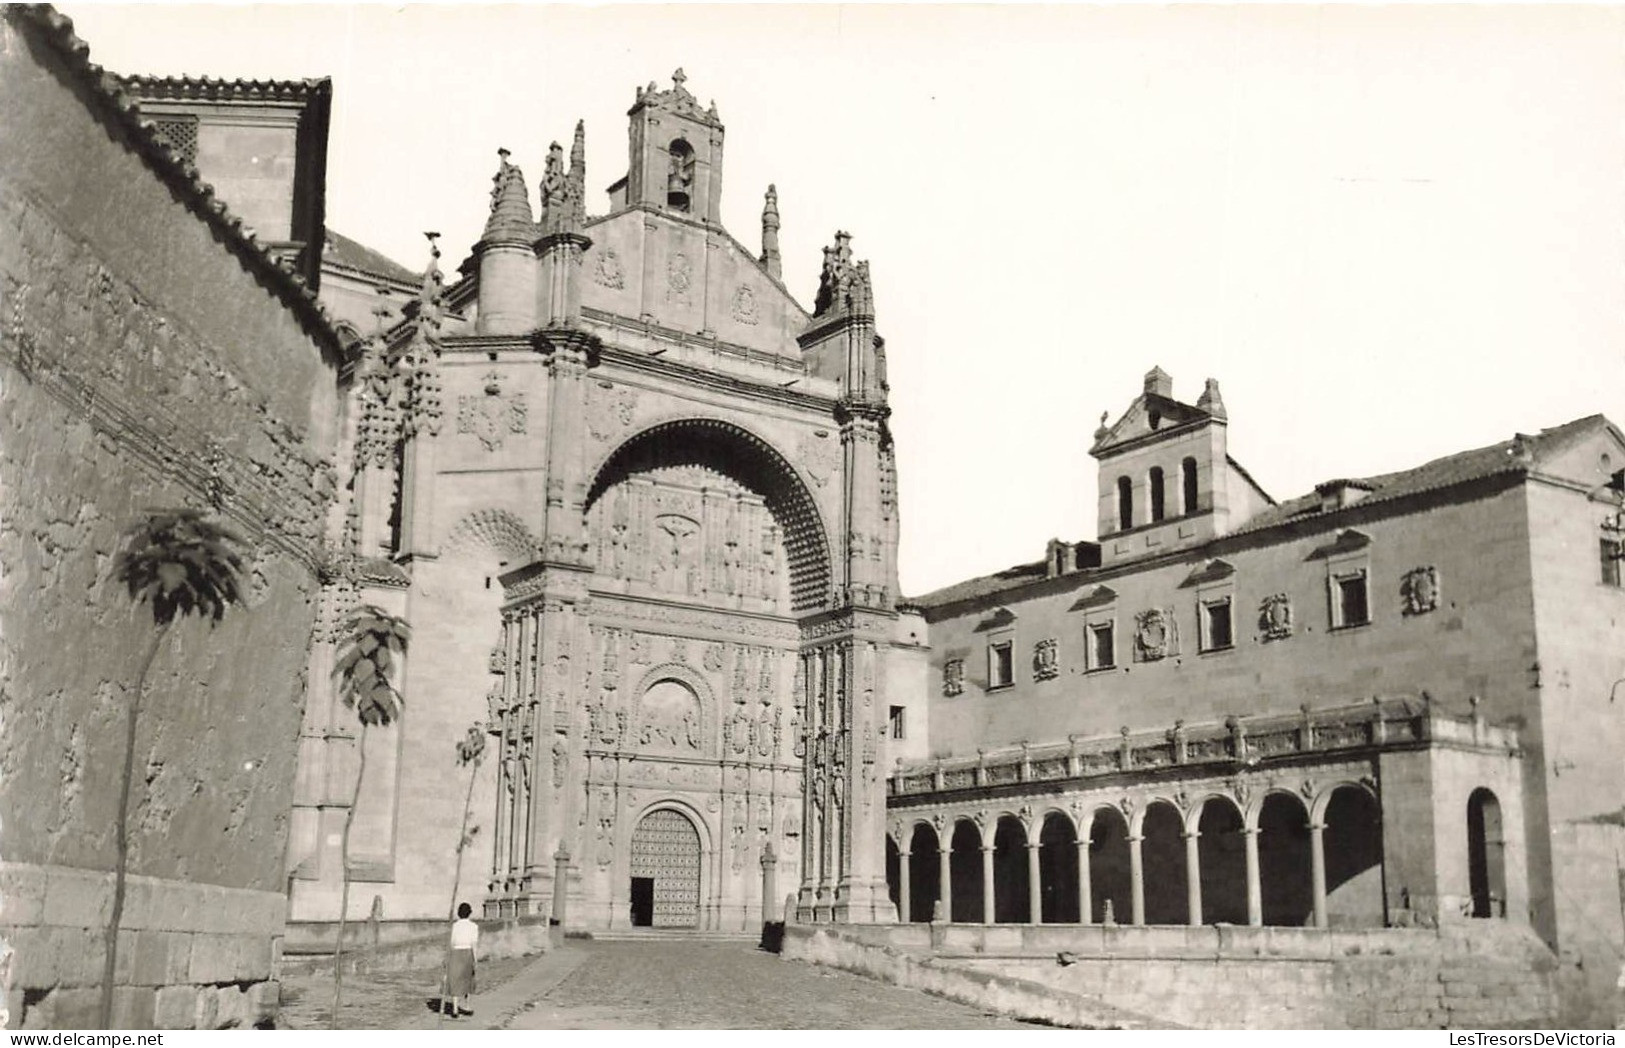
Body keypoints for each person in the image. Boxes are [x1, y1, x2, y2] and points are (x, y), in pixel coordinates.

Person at [444, 902, 478, 1018]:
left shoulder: (455, 926)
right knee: (467, 980)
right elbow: (474, 944)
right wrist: (475, 959)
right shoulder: (473, 926)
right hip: (467, 952)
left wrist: (447, 957)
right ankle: (467, 1006)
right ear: (469, 913)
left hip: (455, 953)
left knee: (455, 980)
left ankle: (454, 1009)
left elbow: (451, 942)